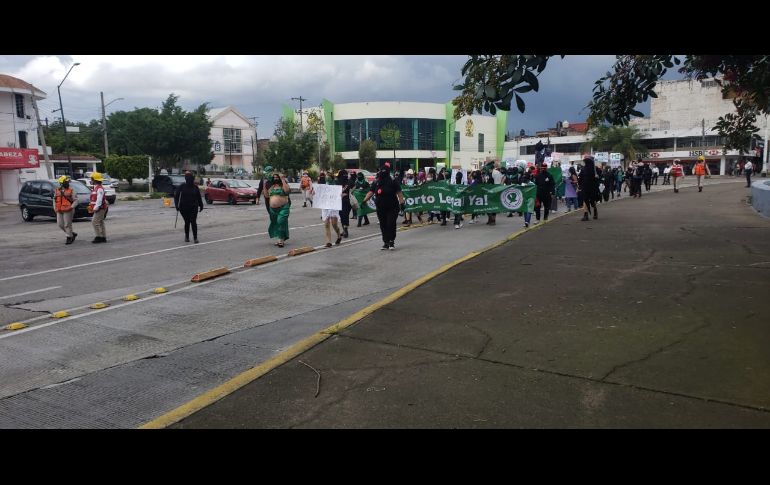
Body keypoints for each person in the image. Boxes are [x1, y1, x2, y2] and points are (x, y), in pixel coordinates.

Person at [363, 162, 404, 250]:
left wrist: (402, 203)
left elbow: (399, 192)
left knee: (391, 223)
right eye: (381, 171)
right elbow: (371, 192)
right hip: (380, 207)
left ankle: (391, 241)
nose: (382, 173)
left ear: (388, 172)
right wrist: (364, 201)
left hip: (392, 207)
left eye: (384, 171)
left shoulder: (393, 180)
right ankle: (386, 242)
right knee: (383, 224)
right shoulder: (377, 181)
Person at [313, 172, 342, 248]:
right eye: (326, 176)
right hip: (325, 205)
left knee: (334, 224)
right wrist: (314, 193)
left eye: (328, 176)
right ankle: (328, 242)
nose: (327, 178)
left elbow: (340, 193)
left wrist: (341, 195)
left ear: (332, 177)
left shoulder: (336, 185)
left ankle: (339, 235)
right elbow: (317, 193)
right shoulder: (323, 185)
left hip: (333, 206)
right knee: (326, 224)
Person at [174, 171, 204, 243]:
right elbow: (176, 196)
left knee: (193, 222)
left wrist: (201, 205)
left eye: (191, 178)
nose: (190, 180)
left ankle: (195, 238)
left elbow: (199, 197)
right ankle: (187, 237)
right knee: (187, 222)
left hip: (193, 207)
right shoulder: (182, 186)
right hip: (183, 208)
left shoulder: (195, 187)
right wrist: (176, 206)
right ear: (186, 179)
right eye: (188, 178)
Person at [266, 168, 291, 247]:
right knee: (276, 224)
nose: (276, 178)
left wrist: (283, 180)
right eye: (274, 177)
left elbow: (287, 191)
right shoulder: (272, 187)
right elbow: (267, 195)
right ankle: (280, 239)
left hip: (283, 207)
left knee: (280, 221)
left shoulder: (283, 185)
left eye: (277, 177)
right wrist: (264, 185)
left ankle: (281, 240)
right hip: (273, 209)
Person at [54, 175, 78, 244]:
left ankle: (69, 237)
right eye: (66, 182)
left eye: (67, 182)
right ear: (61, 183)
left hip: (68, 210)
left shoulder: (71, 190)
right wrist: (55, 208)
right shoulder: (57, 190)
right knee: (60, 224)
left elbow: (76, 200)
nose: (67, 183)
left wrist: (71, 207)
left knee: (67, 224)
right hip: (59, 210)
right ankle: (72, 233)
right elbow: (54, 200)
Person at [88, 172, 109, 243]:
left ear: (94, 180)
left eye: (91, 179)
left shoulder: (99, 189)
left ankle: (98, 237)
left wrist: (95, 208)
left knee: (94, 222)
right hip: (100, 208)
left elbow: (99, 199)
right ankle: (103, 237)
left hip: (100, 208)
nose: (90, 180)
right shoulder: (96, 188)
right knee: (100, 222)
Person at [578, 156, 598, 221]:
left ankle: (586, 215)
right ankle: (594, 212)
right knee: (591, 200)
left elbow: (580, 178)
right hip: (591, 187)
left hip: (586, 187)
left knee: (586, 200)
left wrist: (580, 186)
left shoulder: (584, 169)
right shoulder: (594, 169)